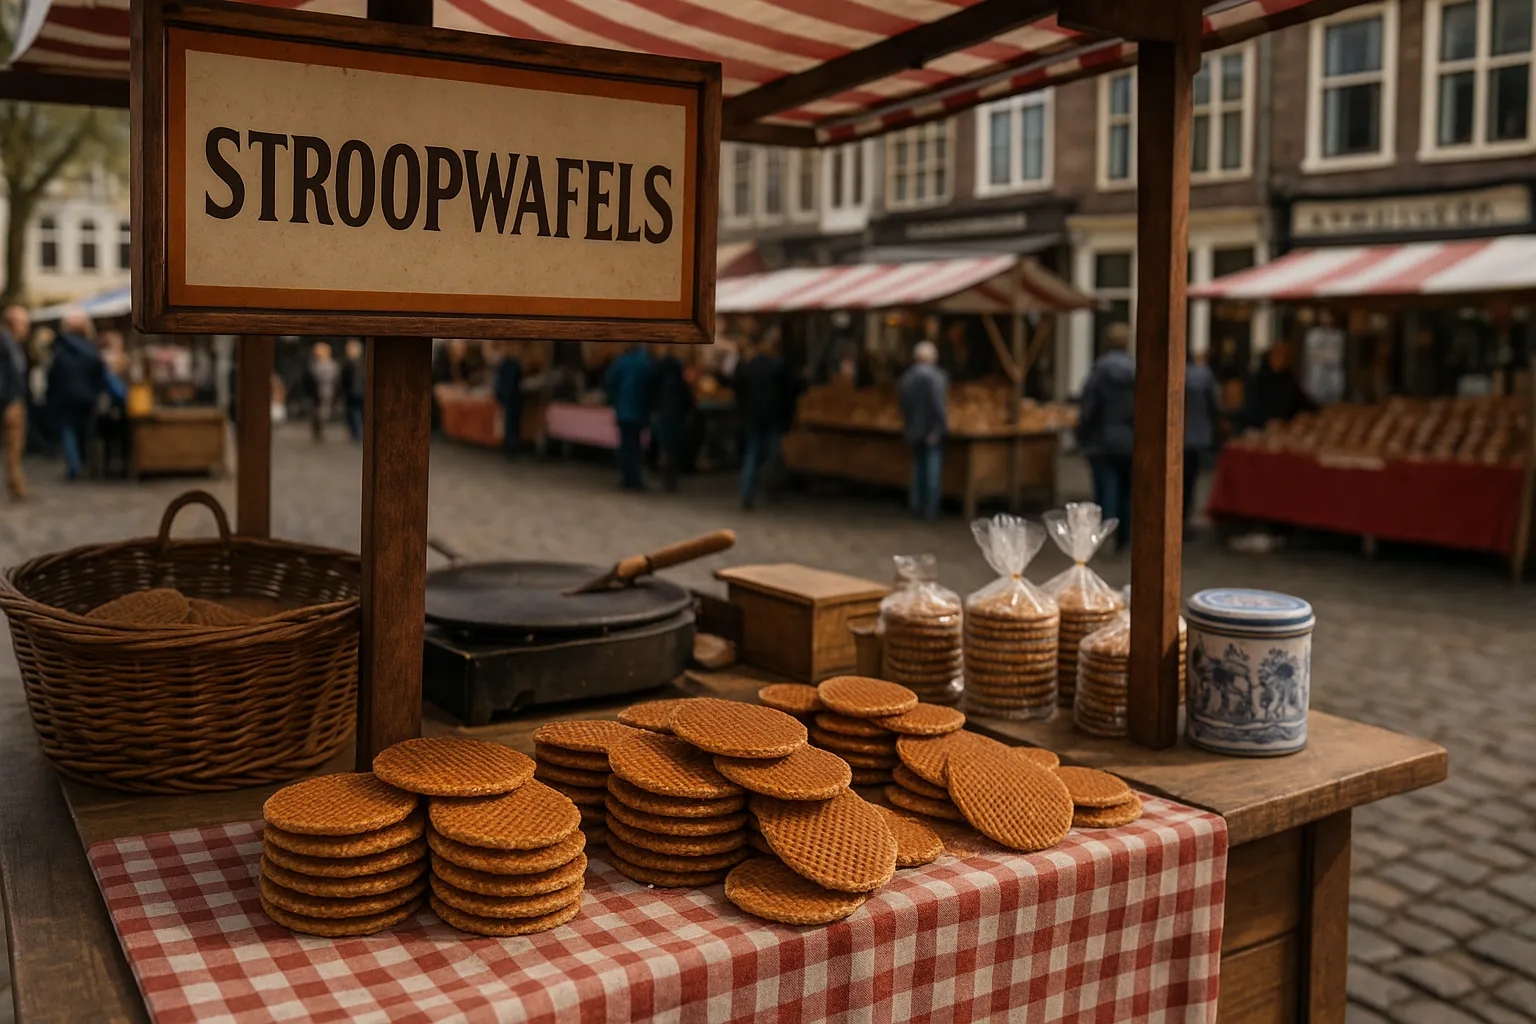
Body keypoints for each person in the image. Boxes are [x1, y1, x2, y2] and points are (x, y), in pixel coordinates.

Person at [1077, 322, 1136, 547]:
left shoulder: (1100, 370)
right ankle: (1125, 538)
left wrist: (1082, 435)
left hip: (1101, 441)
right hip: (1130, 441)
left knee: (1106, 491)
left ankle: (1104, 538)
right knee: (1126, 493)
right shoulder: (1135, 369)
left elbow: (1089, 408)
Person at [734, 330, 792, 510]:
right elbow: (789, 393)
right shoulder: (779, 367)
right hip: (771, 417)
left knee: (753, 455)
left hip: (754, 417)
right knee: (770, 454)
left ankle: (749, 492)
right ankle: (769, 489)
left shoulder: (750, 366)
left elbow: (739, 390)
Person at [47, 310, 106, 481]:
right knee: (82, 431)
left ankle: (75, 466)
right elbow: (99, 372)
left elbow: (53, 375)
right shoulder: (90, 349)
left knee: (68, 430)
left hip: (65, 397)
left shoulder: (60, 349)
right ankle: (81, 463)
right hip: (87, 396)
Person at [898, 340, 949, 522]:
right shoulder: (936, 377)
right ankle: (931, 509)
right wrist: (940, 427)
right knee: (932, 469)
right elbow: (938, 405)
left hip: (913, 428)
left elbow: (903, 405)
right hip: (931, 430)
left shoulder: (907, 378)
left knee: (918, 467)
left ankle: (916, 504)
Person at [604, 343, 654, 491]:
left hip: (624, 409)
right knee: (636, 445)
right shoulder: (646, 362)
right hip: (639, 410)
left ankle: (628, 477)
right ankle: (635, 477)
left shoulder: (622, 361)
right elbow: (651, 385)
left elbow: (610, 381)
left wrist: (614, 400)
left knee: (627, 445)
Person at [1184, 349, 1223, 530]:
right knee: (1190, 479)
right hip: (1197, 435)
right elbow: (1214, 404)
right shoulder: (1204, 376)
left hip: (1178, 435)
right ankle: (1184, 515)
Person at [1242, 339, 1317, 431]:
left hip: (1285, 426)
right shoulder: (1257, 377)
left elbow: (1300, 400)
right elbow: (1252, 407)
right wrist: (1269, 420)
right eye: (1279, 354)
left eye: (1287, 356)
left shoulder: (1287, 377)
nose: (1284, 359)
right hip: (1261, 428)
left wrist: (1318, 410)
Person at [651, 344, 693, 492]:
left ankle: (664, 473)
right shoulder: (679, 378)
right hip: (676, 415)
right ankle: (672, 477)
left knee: (664, 445)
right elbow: (687, 398)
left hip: (662, 412)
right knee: (674, 447)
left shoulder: (658, 372)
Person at [1, 305, 30, 498]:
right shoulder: (6, 342)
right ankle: (15, 483)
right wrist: (9, 399)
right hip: (9, 400)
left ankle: (16, 482)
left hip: (13, 399)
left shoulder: (12, 342)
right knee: (13, 443)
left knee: (15, 445)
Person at [304, 341, 340, 443]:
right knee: (316, 412)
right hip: (316, 392)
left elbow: (332, 379)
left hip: (326, 391)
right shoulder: (314, 364)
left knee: (322, 413)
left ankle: (320, 429)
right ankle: (317, 430)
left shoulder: (330, 365)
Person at [494, 343, 524, 459]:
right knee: (510, 424)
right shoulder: (507, 364)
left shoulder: (509, 365)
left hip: (512, 398)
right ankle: (511, 447)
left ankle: (511, 447)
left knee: (511, 424)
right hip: (511, 398)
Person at [339, 339, 366, 442]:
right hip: (354, 393)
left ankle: (358, 433)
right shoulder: (350, 363)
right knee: (353, 414)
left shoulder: (361, 363)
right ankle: (357, 433)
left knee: (356, 413)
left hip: (357, 393)